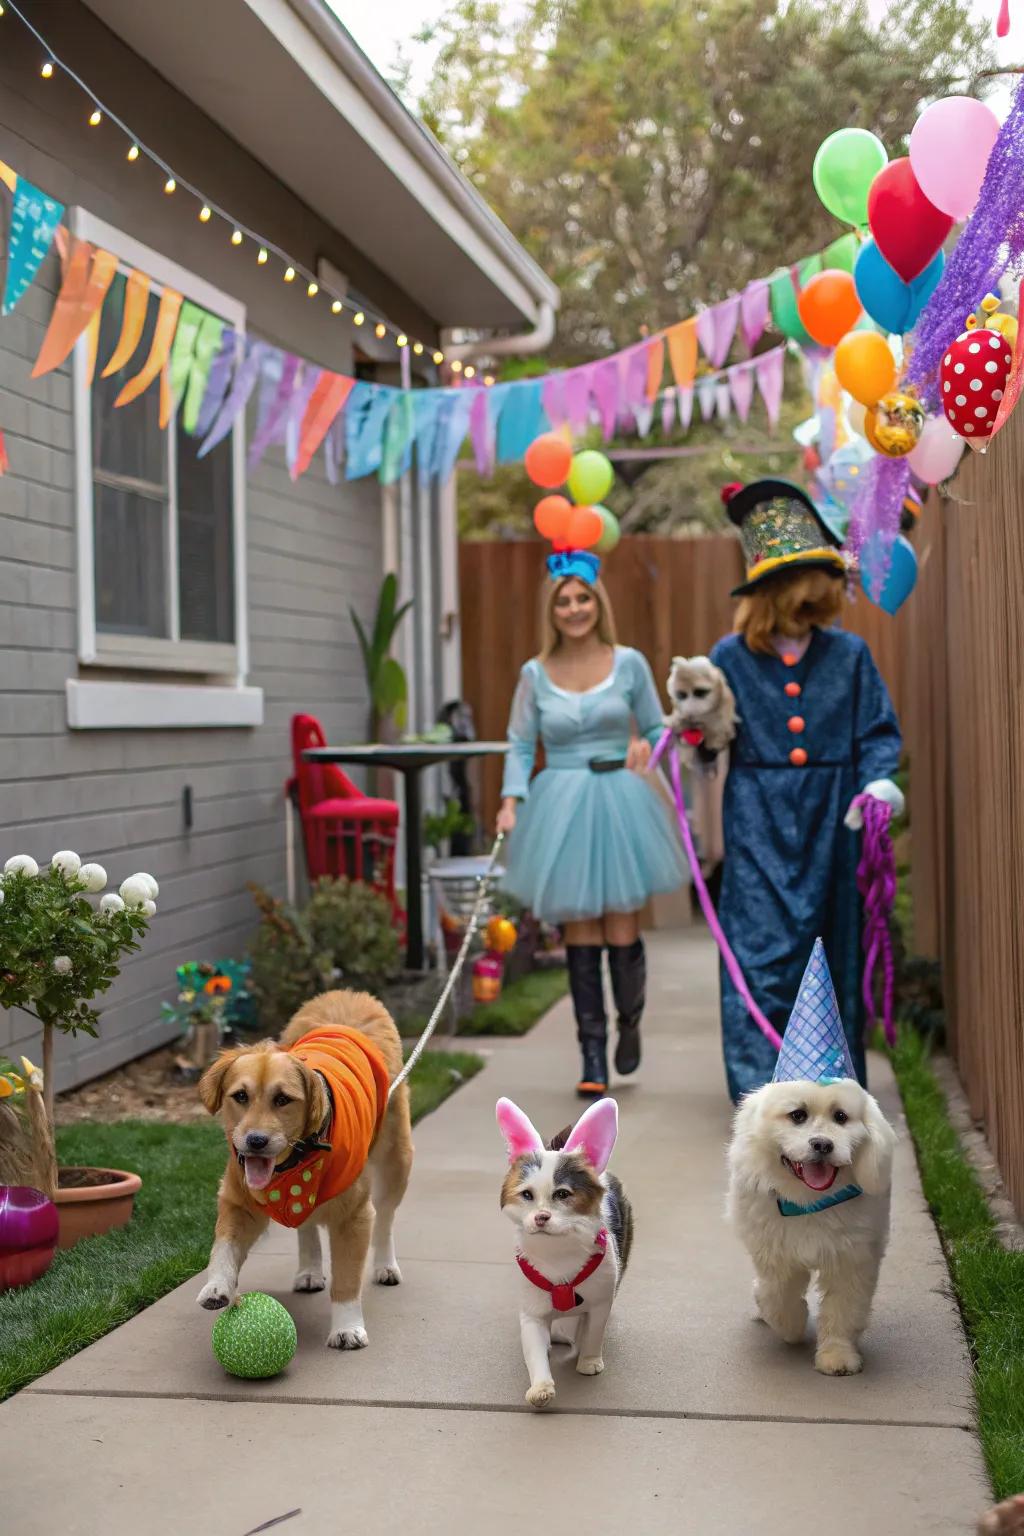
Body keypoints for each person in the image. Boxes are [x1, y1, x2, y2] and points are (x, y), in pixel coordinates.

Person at [706, 478, 903, 1104]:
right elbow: (712, 733)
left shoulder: (849, 655)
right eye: (807, 580)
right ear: (773, 592)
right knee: (757, 957)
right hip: (757, 817)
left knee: (830, 953)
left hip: (831, 818)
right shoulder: (730, 657)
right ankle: (760, 1098)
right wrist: (696, 732)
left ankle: (834, 1096)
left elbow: (877, 728)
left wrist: (874, 781)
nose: (820, 592)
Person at [497, 548, 685, 1098]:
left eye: (582, 598)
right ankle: (592, 1052)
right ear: (551, 610)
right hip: (560, 802)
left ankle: (629, 1021)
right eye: (564, 602)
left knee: (621, 926)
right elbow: (518, 741)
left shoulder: (628, 663)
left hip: (621, 801)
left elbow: (658, 728)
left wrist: (640, 743)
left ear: (597, 602)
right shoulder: (534, 673)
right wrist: (511, 799)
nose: (574, 609)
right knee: (579, 927)